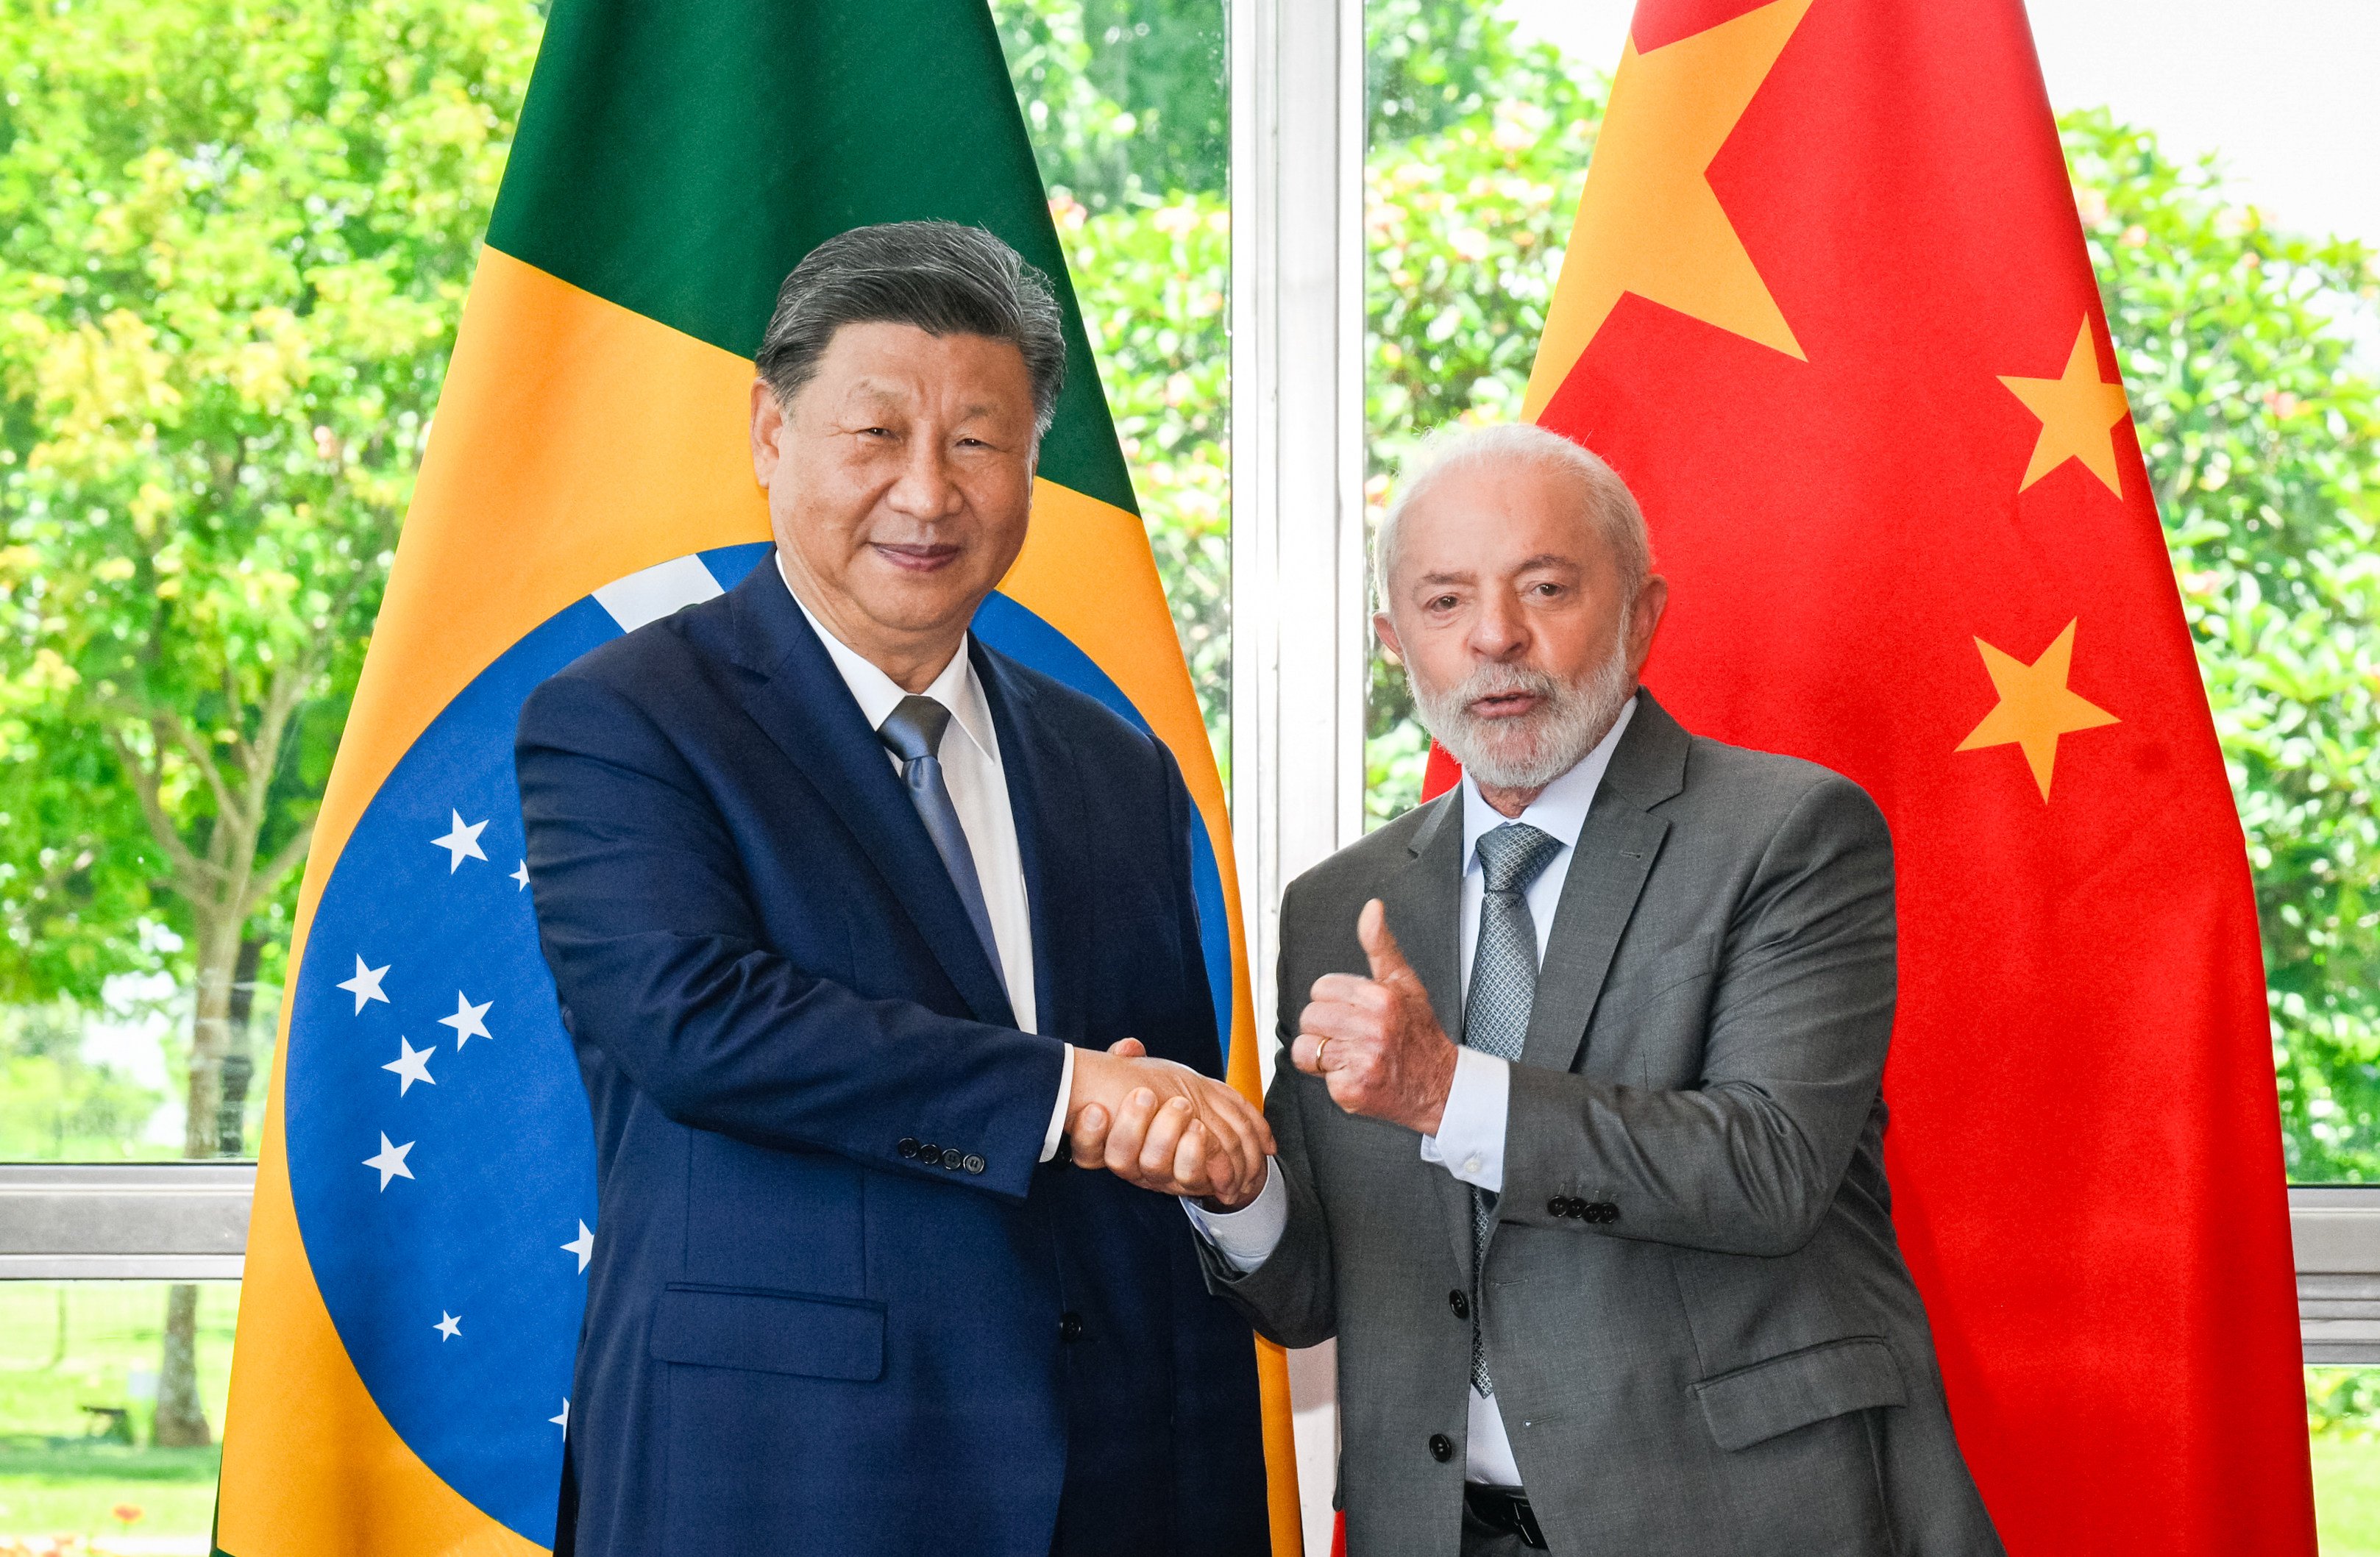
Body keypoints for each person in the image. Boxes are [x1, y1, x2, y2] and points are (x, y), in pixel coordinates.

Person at [1081, 421, 2004, 1555]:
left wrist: (1445, 1092)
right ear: (1394, 642)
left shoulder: (1789, 834)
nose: (1495, 638)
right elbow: (1317, 1288)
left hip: (1737, 1520)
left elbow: (1767, 1169)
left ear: (1643, 613)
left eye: (1546, 587)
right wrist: (1234, 1185)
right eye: (1443, 602)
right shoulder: (1340, 902)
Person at [516, 220, 1273, 1557]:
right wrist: (1063, 1089)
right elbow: (699, 1025)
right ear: (769, 432)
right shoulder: (626, 720)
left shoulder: (1119, 769)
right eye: (876, 435)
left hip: (1104, 1485)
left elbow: (1157, 1150)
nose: (928, 494)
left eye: (978, 441)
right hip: (776, 1485)